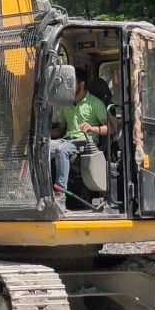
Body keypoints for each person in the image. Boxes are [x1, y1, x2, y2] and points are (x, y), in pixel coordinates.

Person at [48, 68, 110, 210]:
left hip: (85, 141)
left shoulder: (95, 103)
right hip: (67, 139)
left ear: (81, 84)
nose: (66, 87)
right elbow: (60, 131)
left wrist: (92, 128)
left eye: (71, 83)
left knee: (62, 150)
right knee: (42, 148)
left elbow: (110, 129)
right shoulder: (66, 105)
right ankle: (42, 191)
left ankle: (60, 195)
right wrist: (41, 137)